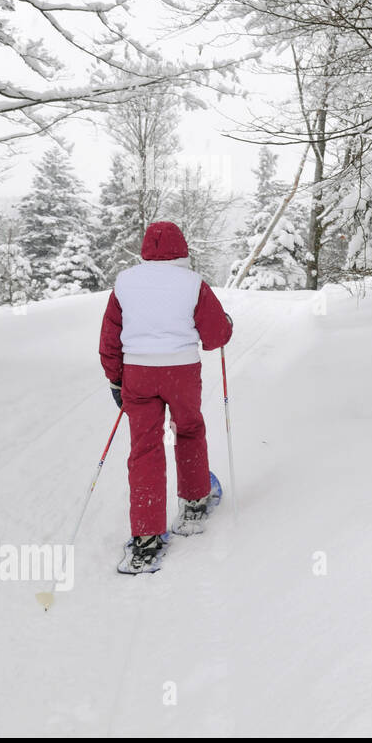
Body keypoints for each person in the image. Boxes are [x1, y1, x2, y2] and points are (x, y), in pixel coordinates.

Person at [98, 221, 233, 572]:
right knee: (188, 430)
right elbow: (216, 335)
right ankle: (194, 504)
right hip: (181, 372)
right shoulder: (192, 283)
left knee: (145, 449)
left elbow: (110, 337)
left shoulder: (125, 283)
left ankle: (146, 538)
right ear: (181, 248)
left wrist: (116, 380)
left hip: (139, 374)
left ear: (146, 249)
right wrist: (226, 323)